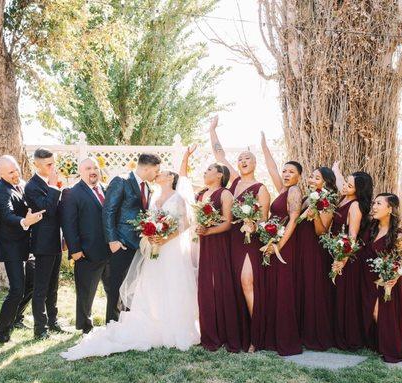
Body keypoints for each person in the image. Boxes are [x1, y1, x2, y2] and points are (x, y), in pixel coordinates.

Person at [61, 165, 199, 360]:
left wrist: (165, 238)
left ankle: (173, 326)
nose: (158, 173)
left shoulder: (178, 198)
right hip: (153, 249)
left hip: (171, 249)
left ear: (171, 178)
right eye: (157, 169)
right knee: (152, 285)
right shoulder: (154, 196)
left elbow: (186, 224)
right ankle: (153, 322)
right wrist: (151, 234)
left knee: (172, 284)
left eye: (163, 172)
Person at [210, 116, 270, 352]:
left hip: (250, 240)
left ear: (255, 164)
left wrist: (253, 225)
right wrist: (212, 130)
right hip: (231, 238)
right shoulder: (233, 182)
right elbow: (219, 155)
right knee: (234, 285)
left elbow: (264, 221)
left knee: (248, 282)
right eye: (240, 159)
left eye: (247, 158)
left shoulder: (261, 188)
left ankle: (257, 335)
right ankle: (236, 331)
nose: (243, 161)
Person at [181, 146, 242, 352]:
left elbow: (227, 223)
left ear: (219, 175)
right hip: (201, 244)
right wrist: (186, 157)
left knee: (219, 286)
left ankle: (225, 333)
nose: (205, 172)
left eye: (209, 169)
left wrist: (209, 230)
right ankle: (208, 333)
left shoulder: (225, 194)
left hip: (218, 244)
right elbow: (183, 180)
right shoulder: (200, 195)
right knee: (204, 287)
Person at [0, 155, 45, 343]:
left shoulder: (20, 184)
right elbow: (5, 216)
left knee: (31, 284)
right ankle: (1, 332)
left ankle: (16, 318)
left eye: (16, 169)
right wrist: (25, 221)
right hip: (11, 247)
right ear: (1, 173)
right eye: (10, 172)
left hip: (26, 245)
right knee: (16, 290)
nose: (15, 174)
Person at [102, 153, 161, 322]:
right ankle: (112, 324)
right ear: (146, 168)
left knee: (132, 285)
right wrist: (112, 240)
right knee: (116, 286)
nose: (157, 174)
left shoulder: (148, 187)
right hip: (121, 243)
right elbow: (108, 211)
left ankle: (127, 322)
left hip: (139, 245)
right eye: (156, 170)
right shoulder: (122, 181)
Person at [360, 193, 402, 363]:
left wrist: (393, 277)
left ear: (390, 209)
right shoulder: (372, 229)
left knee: (380, 311)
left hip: (389, 281)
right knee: (372, 310)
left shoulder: (398, 235)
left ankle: (390, 346)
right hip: (369, 279)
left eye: (379, 203)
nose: (374, 207)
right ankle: (379, 342)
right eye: (374, 203)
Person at [260, 134, 303, 356]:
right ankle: (273, 336)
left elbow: (293, 219)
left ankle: (285, 339)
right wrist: (264, 147)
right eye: (285, 171)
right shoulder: (284, 189)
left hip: (284, 247)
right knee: (275, 290)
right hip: (274, 244)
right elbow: (272, 170)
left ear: (299, 177)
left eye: (291, 172)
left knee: (284, 290)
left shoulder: (294, 191)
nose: (286, 174)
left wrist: (277, 247)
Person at [61, 158, 111, 334]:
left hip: (109, 251)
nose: (93, 171)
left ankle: (113, 323)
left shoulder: (105, 189)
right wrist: (75, 250)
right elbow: (68, 224)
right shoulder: (72, 193)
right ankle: (85, 326)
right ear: (81, 172)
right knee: (86, 293)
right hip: (86, 252)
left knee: (113, 290)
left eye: (96, 168)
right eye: (88, 168)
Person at [293, 167, 337, 351]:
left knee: (313, 289)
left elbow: (322, 231)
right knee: (301, 287)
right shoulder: (306, 198)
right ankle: (301, 332)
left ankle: (315, 334)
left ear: (325, 183)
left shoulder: (326, 202)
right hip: (300, 248)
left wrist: (316, 215)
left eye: (316, 177)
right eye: (311, 176)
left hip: (314, 250)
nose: (311, 179)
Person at [331, 164, 374, 350]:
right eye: (346, 182)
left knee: (344, 296)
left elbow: (352, 236)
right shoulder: (344, 197)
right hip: (335, 251)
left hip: (347, 257)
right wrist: (336, 171)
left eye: (350, 185)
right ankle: (335, 332)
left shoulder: (355, 205)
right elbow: (341, 182)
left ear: (358, 190)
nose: (345, 186)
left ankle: (348, 336)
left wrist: (342, 260)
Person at [25, 148, 64, 339]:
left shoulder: (51, 183)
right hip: (42, 244)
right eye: (48, 164)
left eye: (53, 163)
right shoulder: (31, 187)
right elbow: (47, 209)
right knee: (41, 288)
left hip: (56, 241)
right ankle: (40, 329)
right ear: (37, 165)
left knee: (53, 286)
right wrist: (54, 186)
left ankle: (53, 321)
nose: (52, 167)